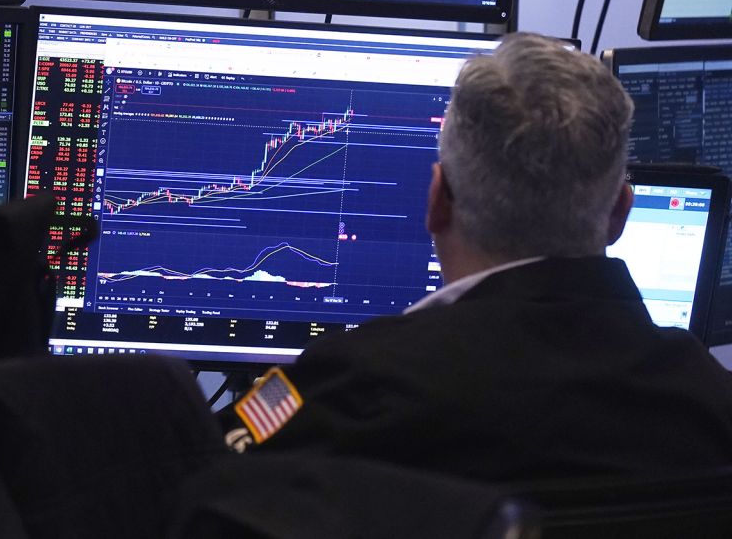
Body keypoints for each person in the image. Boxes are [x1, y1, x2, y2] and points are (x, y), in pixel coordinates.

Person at [229, 32, 732, 482]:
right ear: (621, 212)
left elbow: (203, 463)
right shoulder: (709, 397)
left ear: (437, 199)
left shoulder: (351, 379)